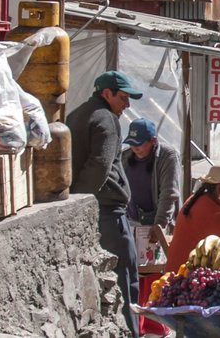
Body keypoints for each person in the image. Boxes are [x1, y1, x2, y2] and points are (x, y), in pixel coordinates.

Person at [67, 70, 143, 338]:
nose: (127, 105)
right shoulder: (107, 119)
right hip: (108, 211)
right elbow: (100, 165)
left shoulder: (75, 115)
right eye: (123, 98)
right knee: (125, 278)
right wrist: (84, 200)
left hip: (91, 208)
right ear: (106, 93)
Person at [121, 118, 183, 338]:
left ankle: (157, 326)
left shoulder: (167, 156)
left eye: (140, 144)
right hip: (134, 223)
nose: (135, 148)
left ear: (153, 141)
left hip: (158, 222)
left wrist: (159, 227)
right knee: (136, 273)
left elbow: (169, 194)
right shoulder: (126, 157)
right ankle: (139, 324)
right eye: (132, 143)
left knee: (156, 274)